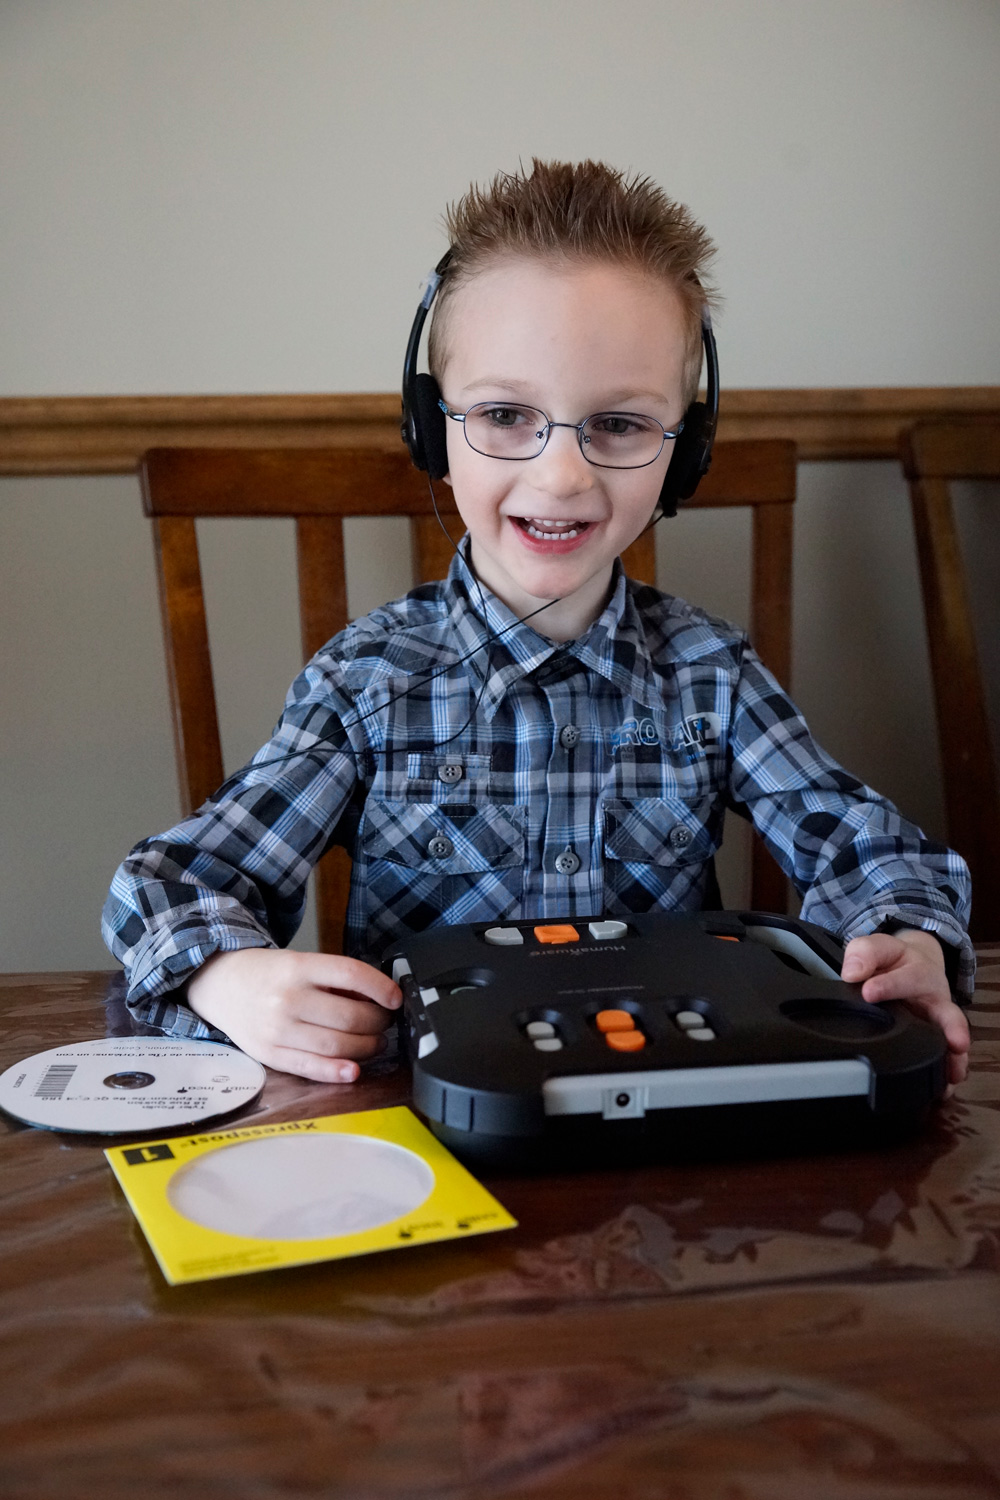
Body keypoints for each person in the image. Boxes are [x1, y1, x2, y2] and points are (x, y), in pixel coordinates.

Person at [103, 159, 973, 1088]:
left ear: (688, 453)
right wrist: (225, 975)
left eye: (622, 425)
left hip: (661, 1127)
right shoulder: (368, 682)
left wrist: (906, 936)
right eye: (507, 415)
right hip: (432, 1125)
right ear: (430, 429)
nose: (562, 476)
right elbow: (173, 881)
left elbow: (867, 845)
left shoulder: (710, 677)